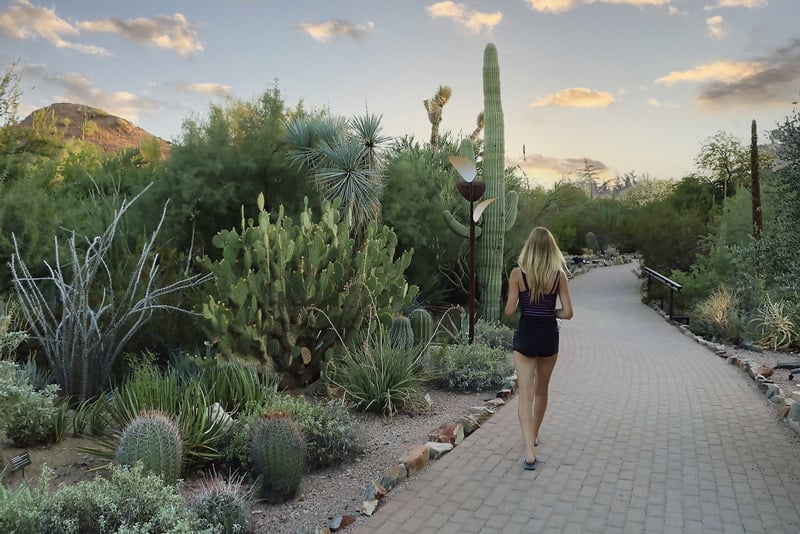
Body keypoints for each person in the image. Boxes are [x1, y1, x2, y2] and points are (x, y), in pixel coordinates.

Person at [504, 227, 573, 470]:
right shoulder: (558, 276)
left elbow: (510, 311)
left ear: (529, 247)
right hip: (548, 336)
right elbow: (568, 313)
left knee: (525, 394)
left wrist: (519, 303)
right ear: (551, 249)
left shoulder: (517, 274)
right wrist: (549, 312)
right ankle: (533, 435)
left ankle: (530, 452)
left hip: (525, 335)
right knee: (542, 390)